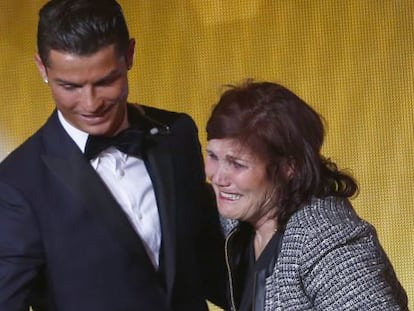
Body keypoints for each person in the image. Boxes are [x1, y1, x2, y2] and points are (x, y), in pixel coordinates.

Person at [0, 0, 227, 310]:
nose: (91, 103)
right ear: (42, 68)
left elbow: (209, 258)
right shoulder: (17, 184)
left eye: (105, 81)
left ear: (129, 55)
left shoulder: (177, 134)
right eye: (70, 86)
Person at [204, 80, 408, 311]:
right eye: (212, 156)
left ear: (289, 167)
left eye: (237, 164)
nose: (218, 177)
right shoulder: (241, 217)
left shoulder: (326, 242)